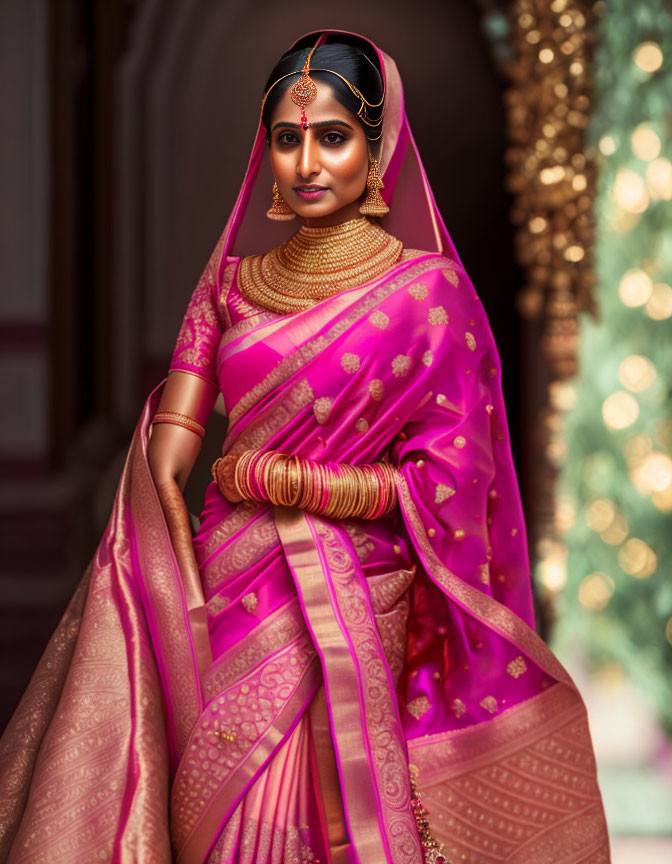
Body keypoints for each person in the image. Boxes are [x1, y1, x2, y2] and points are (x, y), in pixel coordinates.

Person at [0, 28, 610, 864]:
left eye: (333, 137)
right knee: (211, 800)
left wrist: (307, 486)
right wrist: (164, 531)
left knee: (327, 796)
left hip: (359, 586)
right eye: (288, 139)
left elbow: (457, 481)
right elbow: (173, 445)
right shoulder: (230, 286)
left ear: (379, 143)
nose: (308, 162)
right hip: (229, 576)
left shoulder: (426, 295)